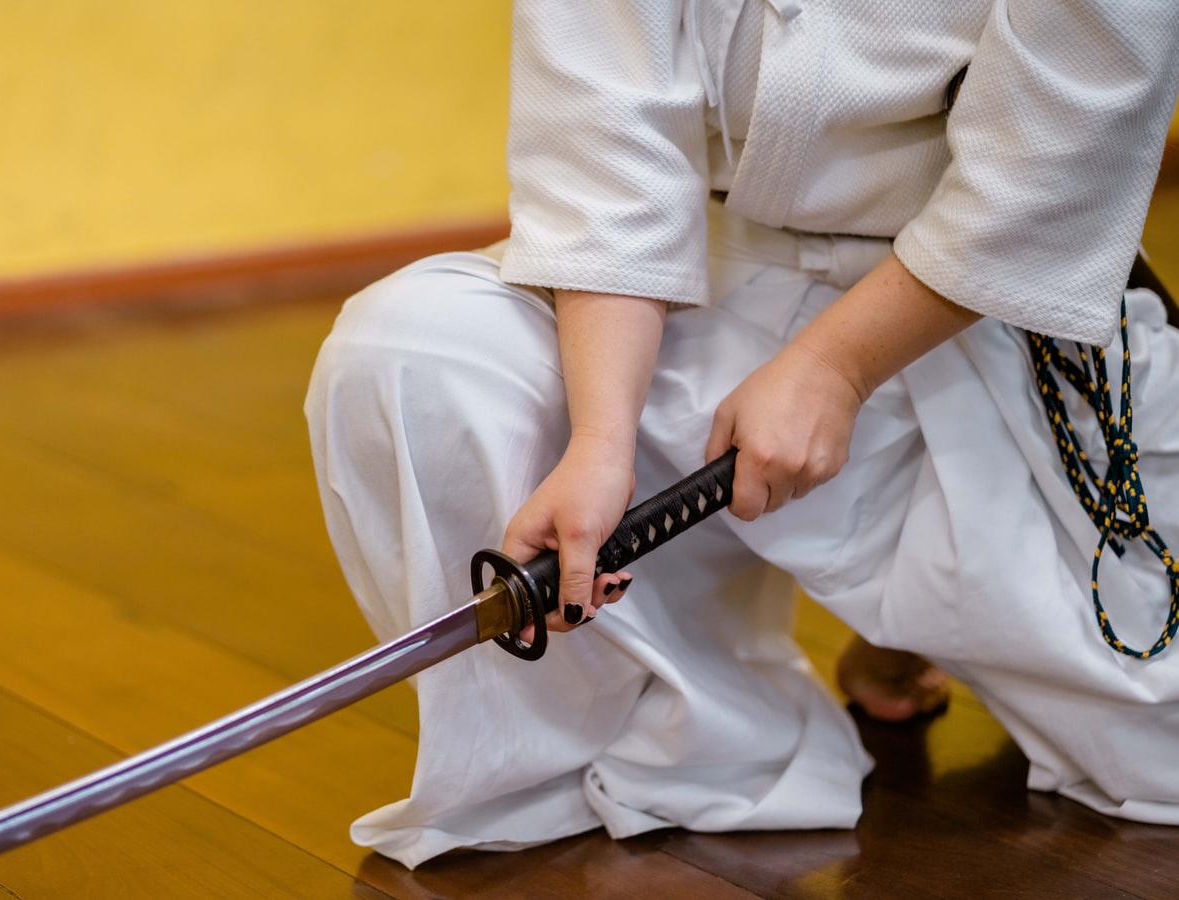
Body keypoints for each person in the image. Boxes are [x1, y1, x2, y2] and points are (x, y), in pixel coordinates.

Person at [305, 0, 1179, 870]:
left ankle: (907, 617)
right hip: (687, 280)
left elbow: (1062, 151)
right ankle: (700, 732)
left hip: (972, 304)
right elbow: (605, 145)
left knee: (1162, 751)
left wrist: (837, 367)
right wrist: (600, 441)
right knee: (414, 348)